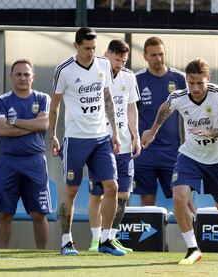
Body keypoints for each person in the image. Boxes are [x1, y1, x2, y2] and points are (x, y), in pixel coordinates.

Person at [141, 58, 218, 265]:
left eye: (200, 83)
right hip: (190, 155)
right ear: (186, 80)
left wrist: (213, 131)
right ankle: (192, 248)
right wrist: (152, 132)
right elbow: (165, 109)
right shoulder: (179, 96)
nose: (195, 88)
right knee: (179, 196)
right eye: (191, 83)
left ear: (208, 78)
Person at [49, 27, 125, 256]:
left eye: (93, 48)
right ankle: (66, 241)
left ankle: (105, 240)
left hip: (101, 137)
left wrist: (115, 132)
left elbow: (107, 98)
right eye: (86, 48)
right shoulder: (64, 70)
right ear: (76, 46)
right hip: (75, 138)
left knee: (112, 187)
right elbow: (55, 105)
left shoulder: (102, 64)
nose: (91, 52)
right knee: (71, 190)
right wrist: (52, 134)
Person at [88, 39, 141, 253]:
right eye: (116, 59)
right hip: (101, 141)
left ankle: (110, 236)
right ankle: (95, 239)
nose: (119, 63)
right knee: (98, 193)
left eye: (123, 60)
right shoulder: (95, 74)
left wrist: (136, 135)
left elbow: (131, 108)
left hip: (125, 143)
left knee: (124, 194)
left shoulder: (129, 77)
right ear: (106, 55)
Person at [0, 59, 51, 249]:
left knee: (39, 214)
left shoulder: (43, 98)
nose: (22, 78)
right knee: (5, 213)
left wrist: (16, 122)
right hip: (9, 162)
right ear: (11, 77)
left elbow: (43, 124)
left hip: (35, 162)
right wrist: (31, 124)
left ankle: (41, 256)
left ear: (33, 76)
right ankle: (0, 256)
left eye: (26, 74)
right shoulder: (2, 100)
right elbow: (2, 130)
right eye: (18, 74)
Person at [134, 36, 187, 206]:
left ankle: (190, 233)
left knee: (182, 199)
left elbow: (190, 112)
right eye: (154, 55)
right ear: (145, 56)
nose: (158, 59)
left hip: (173, 150)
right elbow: (130, 113)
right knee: (147, 200)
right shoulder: (136, 79)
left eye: (161, 54)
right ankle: (150, 233)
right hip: (146, 151)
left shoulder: (180, 79)